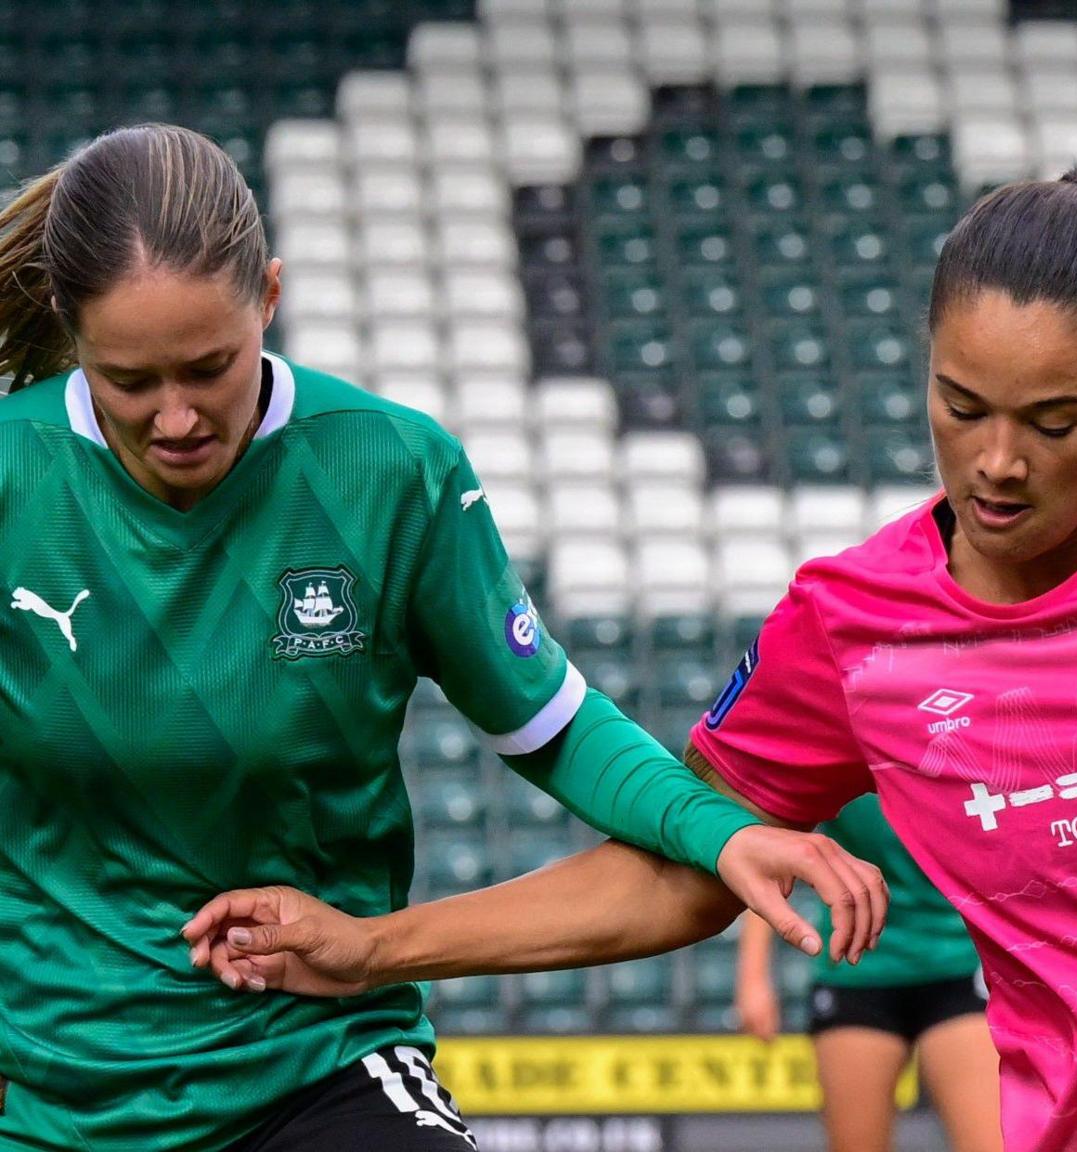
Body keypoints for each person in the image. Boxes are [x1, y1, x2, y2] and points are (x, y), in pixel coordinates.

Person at [188, 157, 1077, 1152]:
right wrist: (372, 951)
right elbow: (683, 879)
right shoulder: (850, 627)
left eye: (1054, 421)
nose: (997, 459)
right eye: (962, 406)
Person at [0, 123, 884, 1152]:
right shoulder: (16, 479)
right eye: (130, 384)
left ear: (270, 299)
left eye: (208, 367)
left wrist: (712, 827)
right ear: (73, 332)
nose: (176, 416)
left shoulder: (392, 472)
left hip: (315, 1059)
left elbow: (554, 726)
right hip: (52, 1098)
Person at [733, 794, 1001, 1152]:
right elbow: (771, 841)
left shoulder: (954, 742)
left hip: (957, 960)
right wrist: (752, 978)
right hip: (856, 966)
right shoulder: (833, 742)